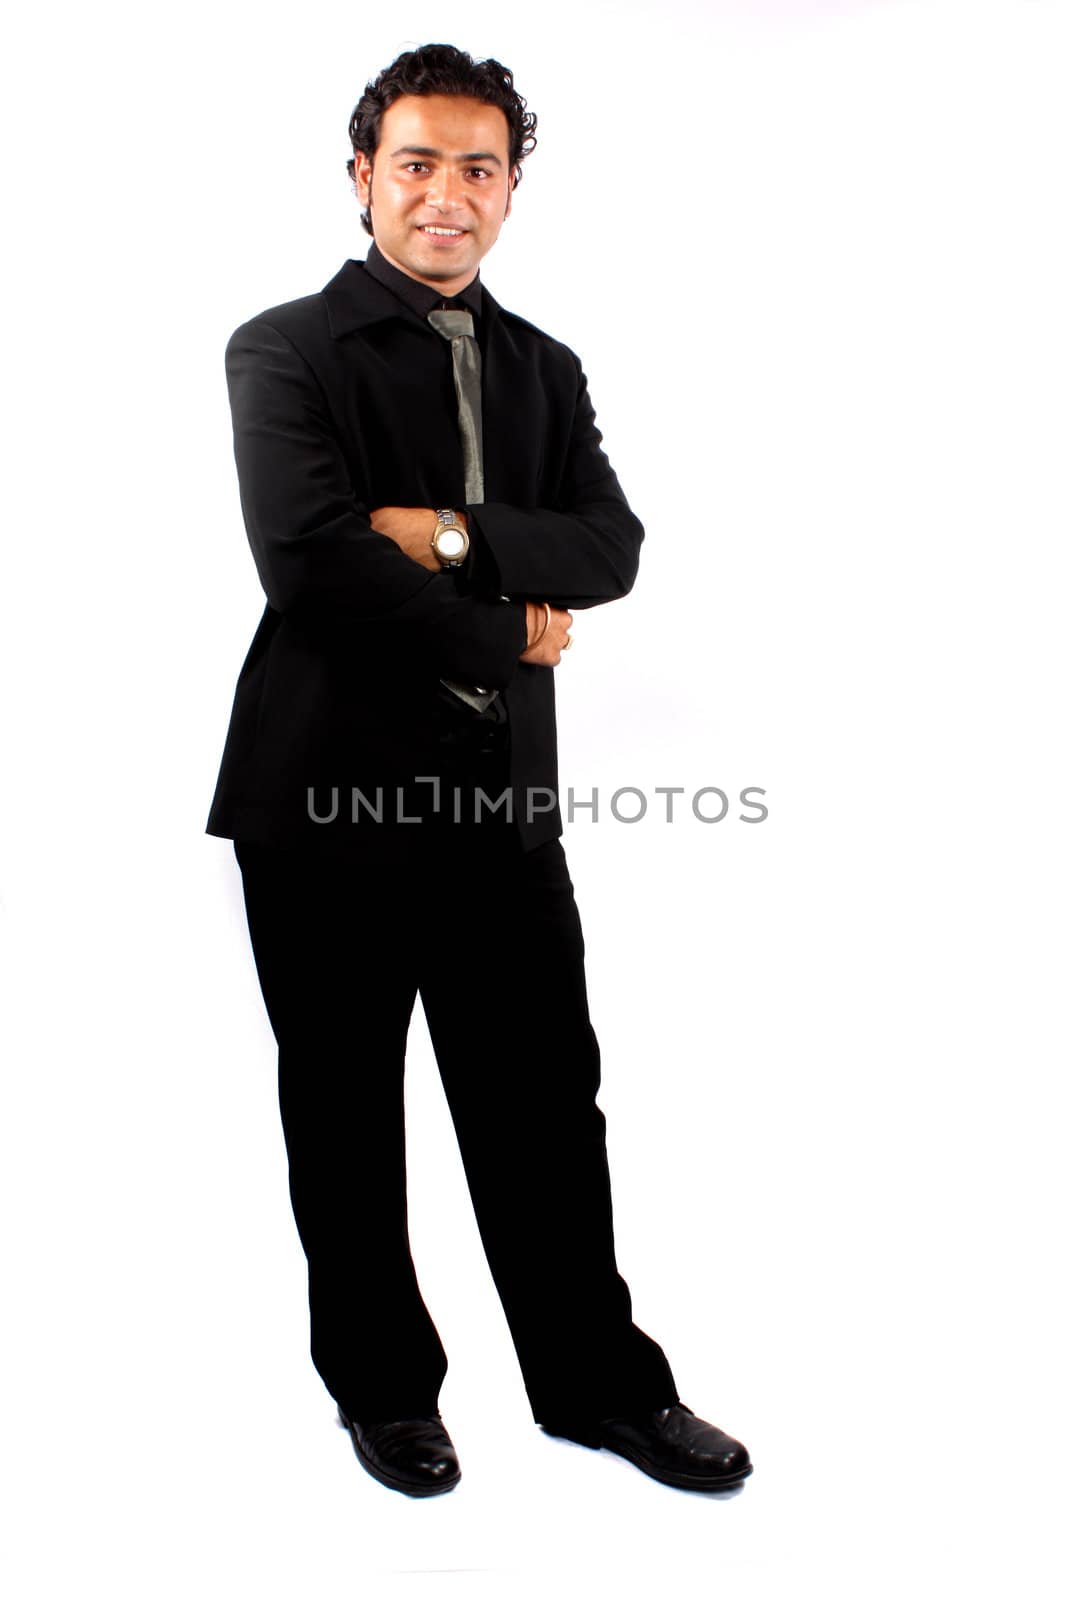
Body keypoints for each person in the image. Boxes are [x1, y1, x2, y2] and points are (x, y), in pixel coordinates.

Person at [206, 42, 752, 1498]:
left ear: (513, 189)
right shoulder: (284, 348)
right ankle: (383, 1390)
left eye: (478, 167)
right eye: (416, 163)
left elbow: (612, 548)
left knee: (543, 1106)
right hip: (325, 793)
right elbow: (312, 562)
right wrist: (509, 609)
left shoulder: (543, 366)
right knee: (343, 1103)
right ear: (363, 178)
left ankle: (596, 1390)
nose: (446, 195)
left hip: (497, 797)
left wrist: (440, 530)